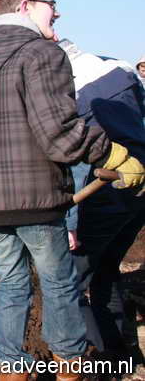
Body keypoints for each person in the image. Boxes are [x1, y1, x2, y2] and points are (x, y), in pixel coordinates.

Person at [0, 0, 144, 380]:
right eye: (51, 4)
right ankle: (70, 368)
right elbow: (59, 131)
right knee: (60, 283)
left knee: (11, 282)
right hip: (35, 197)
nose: (57, 12)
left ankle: (10, 368)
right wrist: (113, 154)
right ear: (25, 7)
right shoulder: (42, 53)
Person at [59, 40, 145, 361]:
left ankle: (92, 361)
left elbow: (76, 161)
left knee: (70, 283)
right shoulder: (121, 69)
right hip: (138, 194)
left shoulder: (71, 92)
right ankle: (120, 354)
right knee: (106, 271)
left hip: (104, 193)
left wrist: (70, 223)